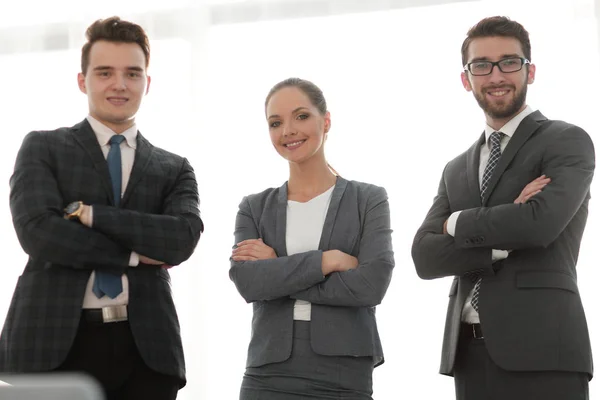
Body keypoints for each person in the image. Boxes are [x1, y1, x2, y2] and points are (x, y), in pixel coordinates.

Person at [0, 16, 203, 400]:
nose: (119, 84)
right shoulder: (43, 147)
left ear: (147, 82)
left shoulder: (174, 167)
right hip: (52, 344)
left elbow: (181, 239)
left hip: (147, 351)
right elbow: (38, 232)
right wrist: (132, 254)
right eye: (105, 72)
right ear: (83, 80)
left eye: (132, 73)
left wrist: (92, 215)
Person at [412, 16, 594, 400]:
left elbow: (538, 225)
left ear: (530, 71)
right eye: (482, 65)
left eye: (509, 62)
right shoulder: (456, 168)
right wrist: (504, 229)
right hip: (468, 354)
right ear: (467, 79)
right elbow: (424, 256)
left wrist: (456, 222)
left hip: (545, 349)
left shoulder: (566, 141)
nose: (496, 75)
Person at [229, 77, 394, 399]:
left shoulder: (369, 199)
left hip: (344, 370)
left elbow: (372, 284)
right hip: (268, 372)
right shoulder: (254, 207)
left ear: (326, 120)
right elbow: (248, 283)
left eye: (301, 116)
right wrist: (325, 261)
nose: (288, 130)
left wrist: (278, 268)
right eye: (276, 123)